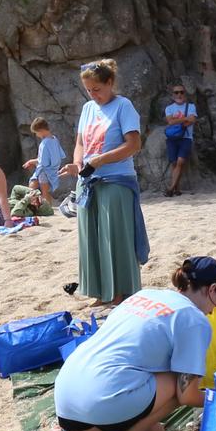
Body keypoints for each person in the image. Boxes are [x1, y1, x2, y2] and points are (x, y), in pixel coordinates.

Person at [45, 257, 216, 431]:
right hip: (103, 396)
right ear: (212, 289)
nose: (213, 311)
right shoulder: (193, 319)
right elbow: (187, 395)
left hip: (67, 392)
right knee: (180, 383)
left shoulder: (145, 295)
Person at [60, 58, 146, 306]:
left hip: (116, 180)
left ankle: (118, 292)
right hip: (88, 182)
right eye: (89, 90)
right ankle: (100, 293)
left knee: (114, 238)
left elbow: (133, 145)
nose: (93, 95)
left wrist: (99, 161)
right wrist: (78, 164)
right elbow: (80, 143)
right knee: (91, 239)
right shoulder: (88, 109)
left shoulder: (123, 106)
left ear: (110, 83)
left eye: (97, 89)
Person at [16, 115, 62, 217]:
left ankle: (46, 209)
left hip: (44, 171)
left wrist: (33, 162)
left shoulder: (45, 143)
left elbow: (43, 162)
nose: (37, 135)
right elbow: (59, 156)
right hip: (50, 170)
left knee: (44, 191)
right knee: (32, 186)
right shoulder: (55, 139)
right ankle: (35, 207)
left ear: (41, 130)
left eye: (36, 133)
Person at [162, 83, 198, 197]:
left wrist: (177, 119)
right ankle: (177, 189)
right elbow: (170, 122)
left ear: (185, 94)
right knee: (174, 163)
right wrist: (185, 119)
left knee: (180, 162)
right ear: (173, 95)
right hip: (172, 138)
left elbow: (192, 120)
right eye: (176, 92)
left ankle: (170, 189)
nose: (179, 94)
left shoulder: (191, 106)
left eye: (181, 92)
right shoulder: (169, 108)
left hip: (186, 138)